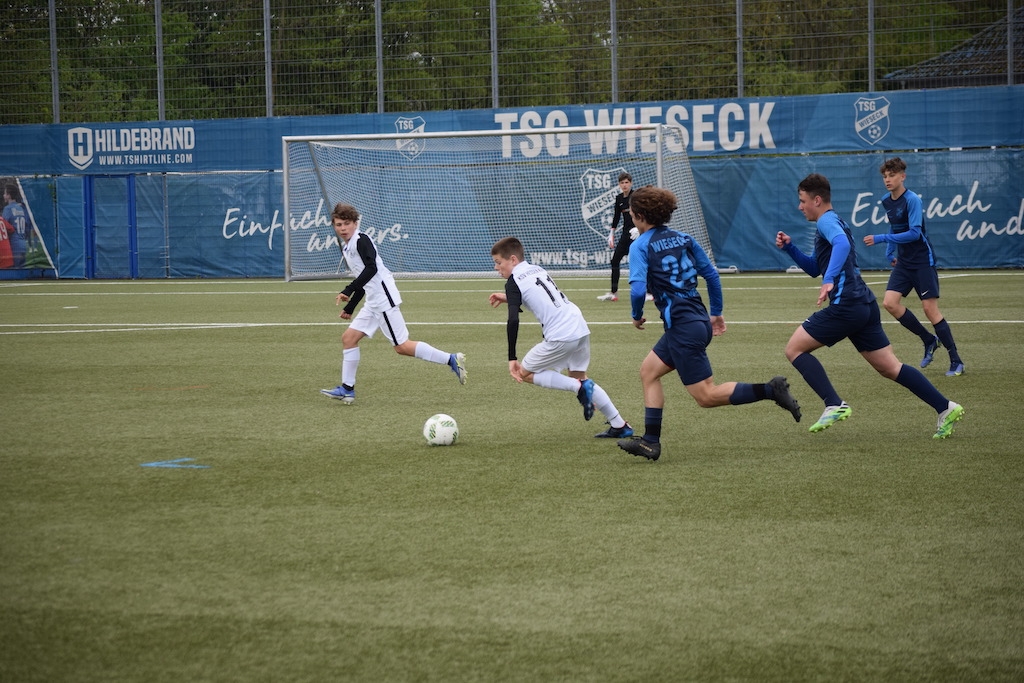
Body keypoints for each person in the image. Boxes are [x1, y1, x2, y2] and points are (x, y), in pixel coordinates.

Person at [617, 186, 802, 462]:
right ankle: (650, 442)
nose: (630, 216)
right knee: (649, 372)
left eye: (631, 212)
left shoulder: (640, 246)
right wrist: (716, 313)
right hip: (696, 320)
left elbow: (636, 290)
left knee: (706, 396)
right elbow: (712, 276)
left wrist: (636, 314)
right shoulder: (684, 238)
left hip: (683, 328)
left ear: (640, 216)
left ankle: (770, 389)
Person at [776, 173, 964, 439]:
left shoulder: (827, 221)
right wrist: (790, 248)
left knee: (794, 349)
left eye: (802, 201)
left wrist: (829, 281)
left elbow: (841, 244)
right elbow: (815, 267)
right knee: (891, 368)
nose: (800, 206)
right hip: (863, 303)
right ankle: (946, 407)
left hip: (847, 304)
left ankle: (833, 403)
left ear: (817, 200)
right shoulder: (832, 221)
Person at [320, 203, 466, 404]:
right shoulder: (348, 246)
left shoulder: (361, 240)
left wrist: (348, 289)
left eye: (347, 223)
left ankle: (451, 359)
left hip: (383, 299)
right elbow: (364, 279)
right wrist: (351, 306)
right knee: (349, 339)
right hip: (373, 300)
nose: (343, 228)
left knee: (402, 347)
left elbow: (371, 269)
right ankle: (347, 389)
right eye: (338, 224)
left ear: (355, 223)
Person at [489, 236, 633, 439]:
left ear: (513, 259)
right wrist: (508, 298)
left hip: (561, 334)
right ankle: (619, 425)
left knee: (524, 373)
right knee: (579, 376)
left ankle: (580, 388)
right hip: (579, 325)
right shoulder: (537, 269)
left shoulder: (513, 282)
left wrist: (512, 357)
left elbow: (513, 320)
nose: (496, 268)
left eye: (498, 262)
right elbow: (539, 294)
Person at [863, 157, 964, 376]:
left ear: (903, 176)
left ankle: (956, 361)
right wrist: (890, 251)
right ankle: (928, 340)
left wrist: (881, 238)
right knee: (890, 303)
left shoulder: (912, 200)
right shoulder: (886, 200)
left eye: (892, 175)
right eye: (885, 176)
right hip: (904, 262)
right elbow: (895, 227)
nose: (887, 180)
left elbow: (914, 233)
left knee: (930, 310)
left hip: (922, 261)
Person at [597, 172, 636, 302]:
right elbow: (616, 216)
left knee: (640, 262)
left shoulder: (636, 197)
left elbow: (643, 213)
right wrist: (611, 232)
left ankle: (649, 292)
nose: (624, 185)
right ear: (619, 184)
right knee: (615, 261)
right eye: (622, 183)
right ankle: (614, 293)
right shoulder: (619, 198)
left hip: (637, 234)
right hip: (626, 234)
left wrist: (639, 228)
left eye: (627, 182)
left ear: (631, 183)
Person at [3, 183, 29, 268]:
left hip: (14, 245)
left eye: (5, 193)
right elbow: (26, 225)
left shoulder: (8, 209)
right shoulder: (20, 208)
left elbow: (3, 227)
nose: (3, 196)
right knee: (22, 271)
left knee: (13, 272)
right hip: (23, 244)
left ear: (9, 195)